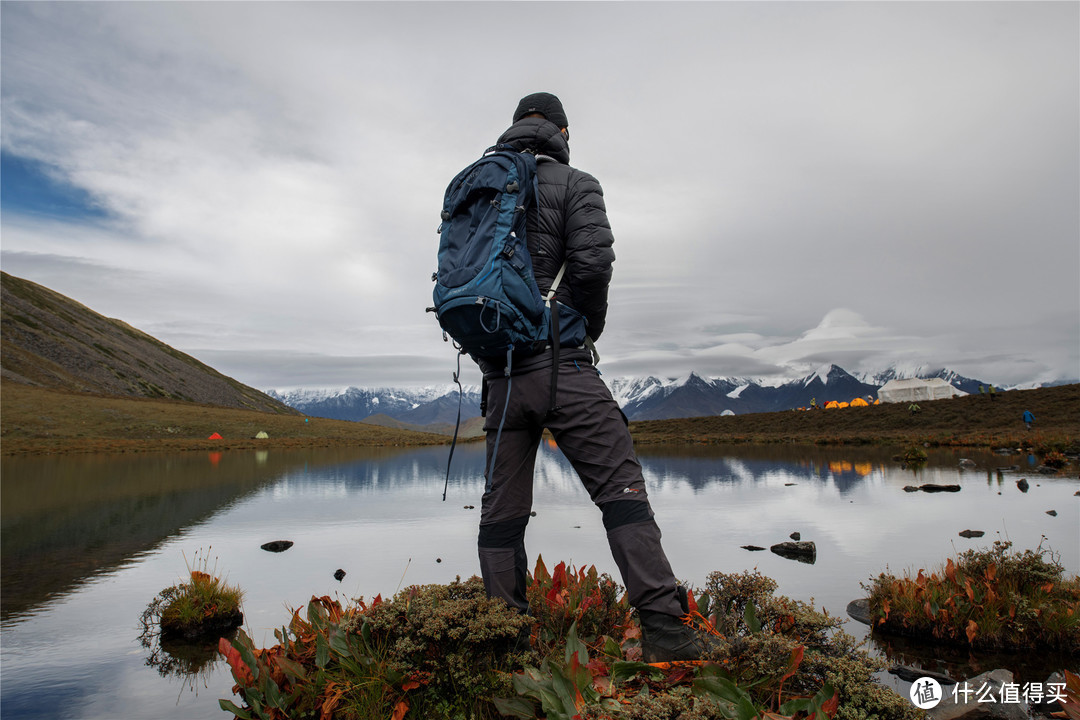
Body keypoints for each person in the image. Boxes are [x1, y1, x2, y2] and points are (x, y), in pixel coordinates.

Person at [473, 92, 700, 662]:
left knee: (501, 512)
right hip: (564, 365)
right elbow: (594, 263)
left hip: (499, 376)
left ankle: (506, 646)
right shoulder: (576, 183)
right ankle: (668, 636)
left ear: (516, 126)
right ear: (563, 132)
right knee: (621, 491)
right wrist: (580, 328)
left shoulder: (477, 186)